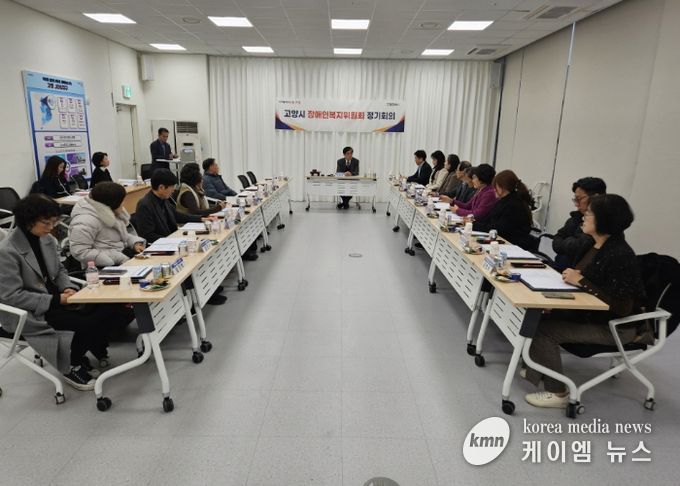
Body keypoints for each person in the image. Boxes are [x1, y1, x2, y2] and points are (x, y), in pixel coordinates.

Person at [523, 194, 650, 409]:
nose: (584, 216)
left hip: (615, 327)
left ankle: (558, 392)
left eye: (589, 213)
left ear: (604, 220)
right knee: (536, 315)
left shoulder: (620, 254)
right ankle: (540, 369)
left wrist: (581, 281)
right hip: (592, 314)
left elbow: (622, 307)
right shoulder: (593, 244)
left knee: (544, 330)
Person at [0, 195, 126, 391]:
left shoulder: (47, 239)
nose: (51, 227)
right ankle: (71, 364)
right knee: (86, 322)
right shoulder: (7, 251)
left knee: (109, 308)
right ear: (27, 221)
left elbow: (59, 270)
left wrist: (68, 287)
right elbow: (11, 296)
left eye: (54, 222)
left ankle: (78, 354)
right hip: (30, 311)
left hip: (58, 299)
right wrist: (56, 299)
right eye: (46, 223)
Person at [68, 182, 145, 268]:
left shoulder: (110, 212)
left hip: (120, 255)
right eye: (121, 201)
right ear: (112, 203)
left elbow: (121, 236)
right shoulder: (85, 221)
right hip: (102, 265)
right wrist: (118, 258)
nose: (123, 204)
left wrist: (134, 243)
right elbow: (81, 251)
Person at [134, 169, 203, 244]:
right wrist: (174, 240)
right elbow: (148, 236)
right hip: (160, 245)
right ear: (161, 187)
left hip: (171, 240)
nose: (173, 190)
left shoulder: (163, 199)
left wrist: (200, 218)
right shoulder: (144, 205)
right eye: (172, 187)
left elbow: (176, 215)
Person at [552, 177, 607, 271]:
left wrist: (567, 240)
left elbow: (577, 247)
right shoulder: (576, 217)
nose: (576, 204)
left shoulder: (603, 225)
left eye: (579, 199)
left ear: (595, 198)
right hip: (562, 270)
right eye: (575, 199)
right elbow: (556, 240)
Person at [473, 170, 535, 250]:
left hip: (513, 246)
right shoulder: (505, 201)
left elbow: (498, 228)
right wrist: (473, 223)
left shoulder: (513, 204)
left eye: (496, 186)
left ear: (503, 187)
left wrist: (474, 225)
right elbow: (489, 220)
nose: (494, 189)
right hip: (503, 241)